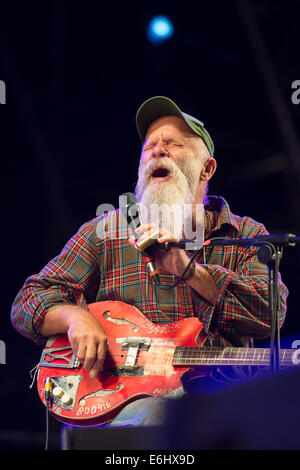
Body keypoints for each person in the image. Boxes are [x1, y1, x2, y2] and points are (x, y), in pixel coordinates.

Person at [11, 96, 288, 426]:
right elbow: (27, 302)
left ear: (207, 168)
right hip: (123, 405)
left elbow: (270, 316)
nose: (158, 150)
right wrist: (73, 318)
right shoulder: (106, 231)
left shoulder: (246, 234)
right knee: (158, 418)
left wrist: (188, 269)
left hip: (223, 407)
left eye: (174, 144)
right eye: (150, 146)